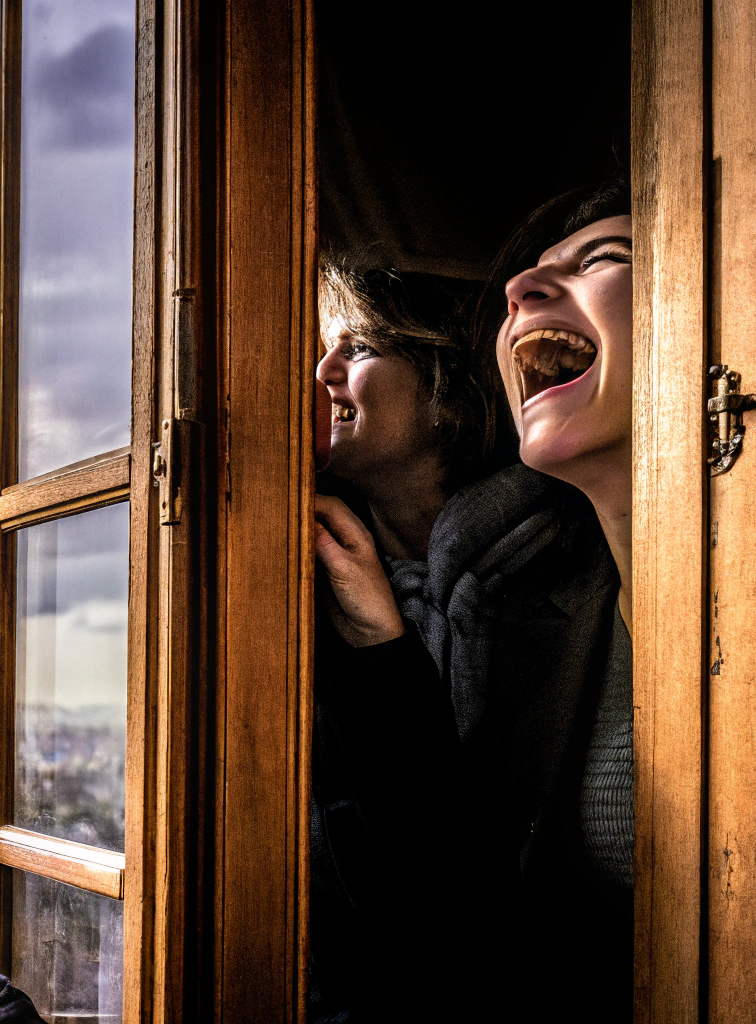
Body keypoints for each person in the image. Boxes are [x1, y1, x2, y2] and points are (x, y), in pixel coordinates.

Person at [311, 178, 635, 1022]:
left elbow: (482, 899)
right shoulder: (288, 583)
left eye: (359, 347)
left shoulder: (583, 574)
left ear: (448, 381)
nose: (322, 373)